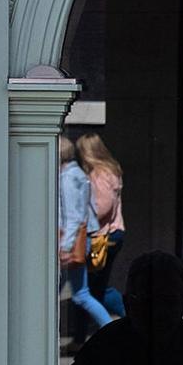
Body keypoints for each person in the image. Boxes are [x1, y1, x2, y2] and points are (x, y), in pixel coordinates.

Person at [59, 134, 111, 340]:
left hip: (72, 241)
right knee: (79, 293)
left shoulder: (68, 177)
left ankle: (112, 331)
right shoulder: (78, 174)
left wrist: (65, 246)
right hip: (80, 239)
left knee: (80, 294)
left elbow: (73, 216)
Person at [77, 132, 128, 320]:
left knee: (89, 289)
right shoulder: (110, 170)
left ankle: (126, 314)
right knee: (91, 287)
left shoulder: (99, 174)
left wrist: (80, 219)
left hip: (102, 235)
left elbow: (102, 206)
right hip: (111, 233)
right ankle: (82, 334)